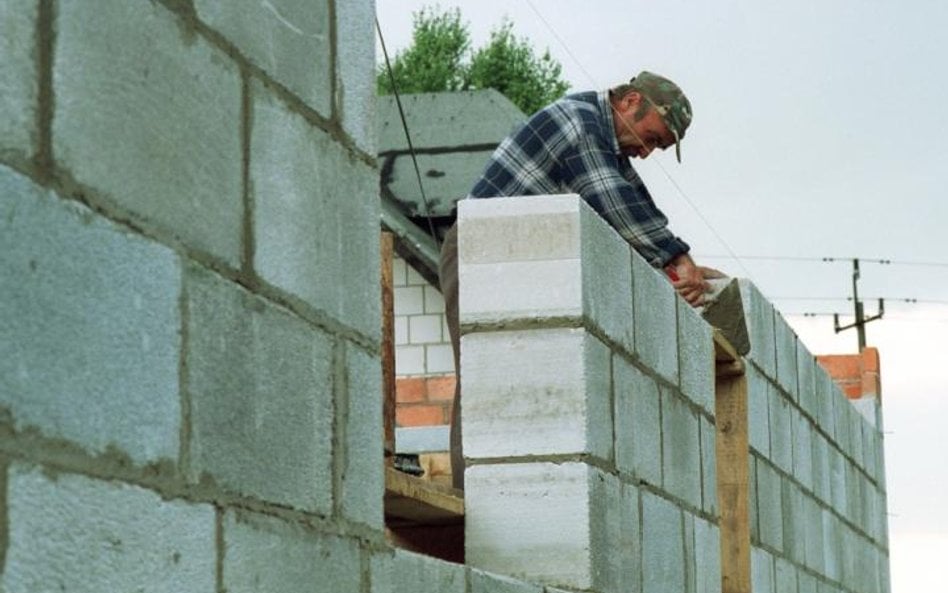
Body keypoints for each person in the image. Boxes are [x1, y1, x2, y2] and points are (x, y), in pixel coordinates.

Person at [438, 71, 709, 489]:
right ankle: (470, 495)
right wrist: (677, 257)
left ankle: (519, 492)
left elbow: (635, 201)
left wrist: (681, 261)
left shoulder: (607, 142)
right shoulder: (578, 123)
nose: (647, 152)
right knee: (484, 376)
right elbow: (617, 205)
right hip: (480, 252)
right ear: (631, 101)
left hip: (520, 260)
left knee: (529, 380)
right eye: (653, 138)